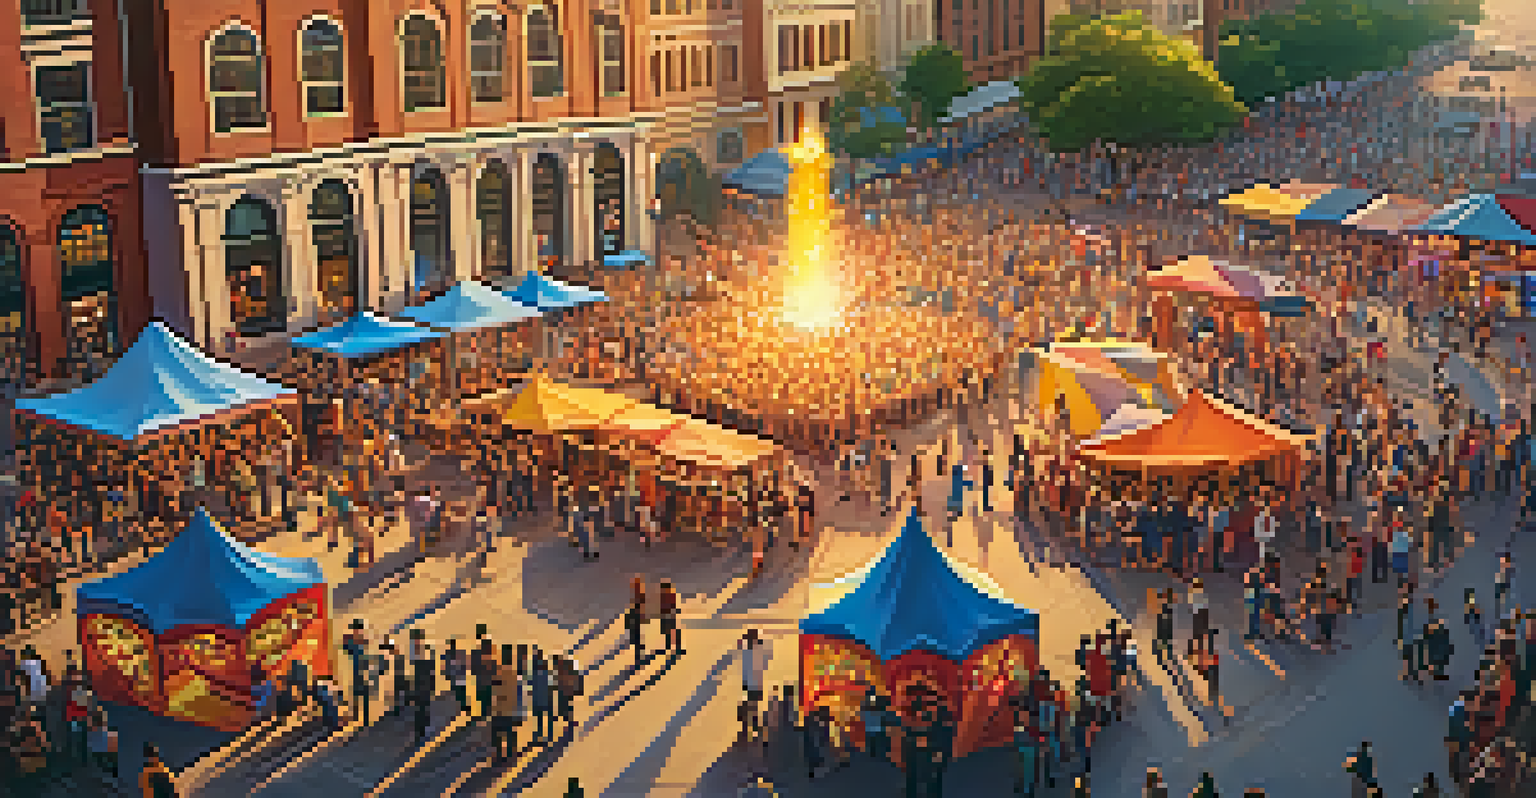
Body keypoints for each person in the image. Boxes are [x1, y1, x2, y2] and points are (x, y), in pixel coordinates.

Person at [530, 649, 554, 744]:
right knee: (548, 717)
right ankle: (549, 734)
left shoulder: (535, 673)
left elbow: (531, 685)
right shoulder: (545, 672)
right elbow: (551, 684)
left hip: (538, 699)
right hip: (546, 697)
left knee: (540, 718)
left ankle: (539, 734)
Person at [658, 579, 681, 653]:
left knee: (670, 631)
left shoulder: (666, 595)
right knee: (669, 631)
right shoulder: (665, 595)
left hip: (668, 614)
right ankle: (672, 646)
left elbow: (671, 605)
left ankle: (674, 646)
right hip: (667, 614)